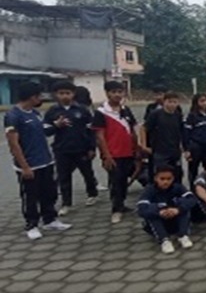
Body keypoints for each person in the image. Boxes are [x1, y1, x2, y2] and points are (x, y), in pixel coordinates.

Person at [5, 82, 71, 240]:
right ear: (32, 97)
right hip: (29, 164)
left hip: (45, 161)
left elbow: (41, 131)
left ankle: (50, 220)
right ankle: (32, 225)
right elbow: (13, 144)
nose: (41, 98)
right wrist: (25, 167)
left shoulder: (34, 113)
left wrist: (56, 125)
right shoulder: (13, 116)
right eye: (39, 96)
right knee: (30, 197)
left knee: (49, 193)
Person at [44, 80, 98, 216]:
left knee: (87, 173)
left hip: (82, 148)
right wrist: (56, 125)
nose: (64, 96)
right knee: (64, 177)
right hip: (62, 149)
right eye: (61, 93)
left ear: (73, 94)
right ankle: (66, 203)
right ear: (56, 94)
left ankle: (92, 193)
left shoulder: (82, 110)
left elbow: (91, 130)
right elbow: (46, 131)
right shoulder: (52, 111)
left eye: (67, 93)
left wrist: (92, 147)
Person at [92, 81, 139, 224]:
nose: (117, 95)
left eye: (120, 92)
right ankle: (116, 210)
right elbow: (100, 136)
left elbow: (133, 130)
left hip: (128, 152)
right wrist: (106, 155)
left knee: (123, 181)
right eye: (114, 92)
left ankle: (122, 205)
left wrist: (136, 148)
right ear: (107, 93)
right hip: (113, 154)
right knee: (116, 182)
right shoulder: (101, 112)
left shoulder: (125, 110)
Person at [137, 165, 197, 254]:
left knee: (184, 207)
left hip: (175, 220)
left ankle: (183, 235)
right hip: (159, 222)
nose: (166, 182)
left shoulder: (178, 187)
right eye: (162, 179)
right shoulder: (149, 190)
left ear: (173, 178)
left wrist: (178, 210)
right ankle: (164, 240)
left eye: (169, 179)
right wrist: (159, 212)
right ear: (155, 178)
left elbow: (192, 199)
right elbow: (141, 209)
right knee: (151, 212)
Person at [142, 92, 185, 185]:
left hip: (174, 151)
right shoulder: (155, 114)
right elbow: (144, 129)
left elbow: (181, 131)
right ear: (164, 102)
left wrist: (181, 145)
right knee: (160, 174)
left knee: (177, 174)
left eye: (175, 102)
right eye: (170, 102)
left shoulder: (178, 115)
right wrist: (144, 145)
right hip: (160, 151)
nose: (172, 104)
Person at [183, 93, 206, 185]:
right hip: (195, 147)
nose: (204, 103)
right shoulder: (192, 116)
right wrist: (187, 149)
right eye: (201, 101)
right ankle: (193, 189)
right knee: (193, 170)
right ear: (196, 102)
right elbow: (186, 134)